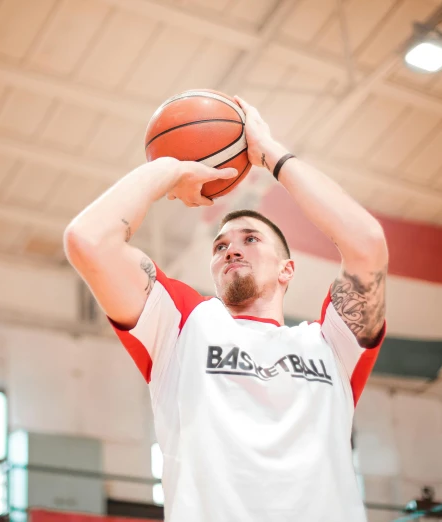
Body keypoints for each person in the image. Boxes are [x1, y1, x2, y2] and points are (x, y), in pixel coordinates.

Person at [63, 95, 388, 522]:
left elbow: (367, 243)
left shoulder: (331, 343)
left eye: (250, 239)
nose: (231, 250)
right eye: (220, 246)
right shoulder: (182, 324)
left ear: (287, 269)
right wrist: (170, 169)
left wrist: (268, 152)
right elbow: (88, 239)